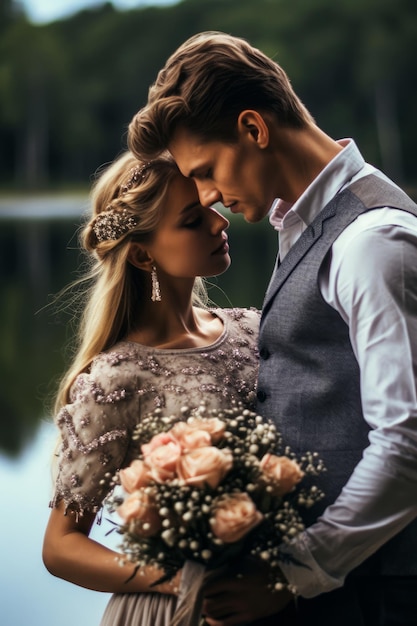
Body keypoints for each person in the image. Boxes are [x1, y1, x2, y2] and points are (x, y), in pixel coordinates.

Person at [127, 31, 417, 626]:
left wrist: (295, 572)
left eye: (205, 171)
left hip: (374, 594)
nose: (208, 197)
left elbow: (408, 442)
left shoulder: (371, 241)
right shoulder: (304, 225)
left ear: (254, 130)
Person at [42, 149, 264, 626]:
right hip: (171, 612)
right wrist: (177, 579)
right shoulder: (116, 379)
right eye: (192, 220)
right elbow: (60, 546)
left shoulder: (255, 330)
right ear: (143, 253)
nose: (218, 223)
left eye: (211, 206)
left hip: (271, 598)